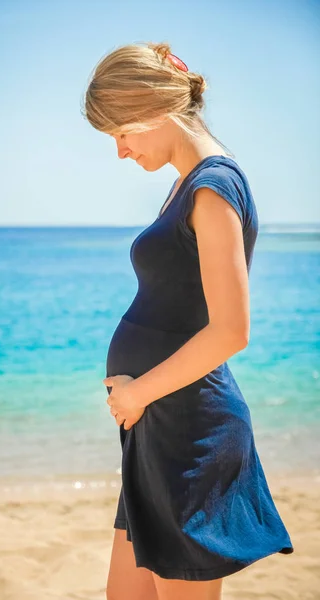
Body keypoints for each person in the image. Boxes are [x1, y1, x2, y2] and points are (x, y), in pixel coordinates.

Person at [82, 41, 294, 600]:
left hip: (189, 432)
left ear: (152, 108)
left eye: (121, 133)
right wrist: (139, 402)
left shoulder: (212, 186)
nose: (121, 152)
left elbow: (231, 330)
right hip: (158, 424)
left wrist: (137, 394)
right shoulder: (186, 185)